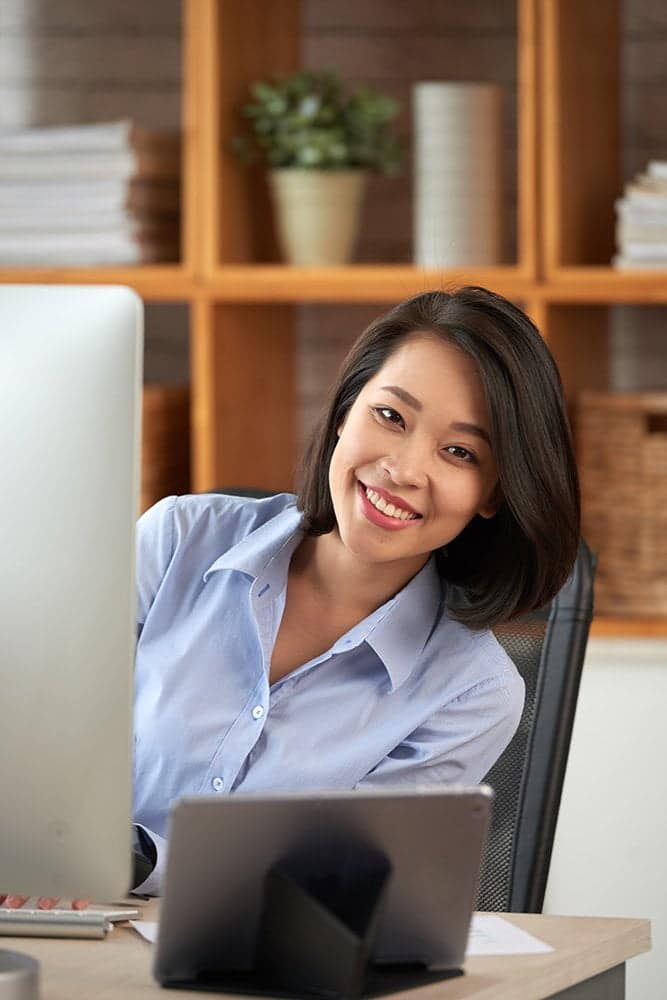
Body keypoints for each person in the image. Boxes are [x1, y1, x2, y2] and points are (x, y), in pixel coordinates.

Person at [128, 285, 580, 895]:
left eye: (459, 451)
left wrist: (140, 861)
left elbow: (325, 886)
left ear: (494, 494)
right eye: (390, 416)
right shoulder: (177, 539)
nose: (403, 469)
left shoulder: (472, 692)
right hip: (53, 917)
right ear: (345, 412)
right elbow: (44, 728)